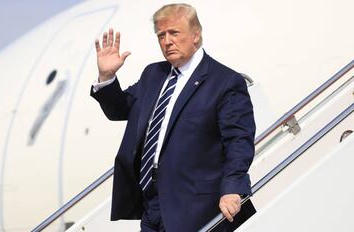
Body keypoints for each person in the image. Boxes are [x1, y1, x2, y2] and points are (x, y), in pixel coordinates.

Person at [91, 3, 256, 232]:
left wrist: (233, 188)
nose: (167, 41)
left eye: (174, 33)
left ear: (196, 35)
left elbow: (238, 141)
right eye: (161, 35)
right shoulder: (153, 75)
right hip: (153, 204)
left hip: (197, 206)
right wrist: (106, 76)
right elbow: (120, 110)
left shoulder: (224, 82)